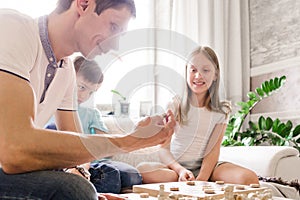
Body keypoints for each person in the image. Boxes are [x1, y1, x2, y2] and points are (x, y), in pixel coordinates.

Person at [0, 0, 176, 199]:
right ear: (83, 5)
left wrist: (83, 177)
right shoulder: (14, 28)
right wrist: (129, 141)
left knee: (83, 189)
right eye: (113, 27)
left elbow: (78, 152)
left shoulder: (66, 72)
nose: (115, 45)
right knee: (73, 190)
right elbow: (14, 151)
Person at [137, 46, 259, 185]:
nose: (198, 76)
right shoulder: (175, 105)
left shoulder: (221, 110)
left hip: (209, 168)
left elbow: (213, 150)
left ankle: (193, 180)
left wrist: (202, 179)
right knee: (143, 170)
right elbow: (163, 150)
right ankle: (181, 179)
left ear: (215, 75)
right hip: (176, 168)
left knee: (249, 178)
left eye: (205, 70)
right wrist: (181, 171)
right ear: (186, 72)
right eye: (193, 70)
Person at [47, 55, 143, 193]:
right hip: (69, 162)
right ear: (69, 78)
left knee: (132, 175)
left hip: (93, 160)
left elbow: (104, 144)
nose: (84, 96)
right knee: (111, 175)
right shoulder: (51, 109)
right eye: (82, 87)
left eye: (91, 92)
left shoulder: (91, 113)